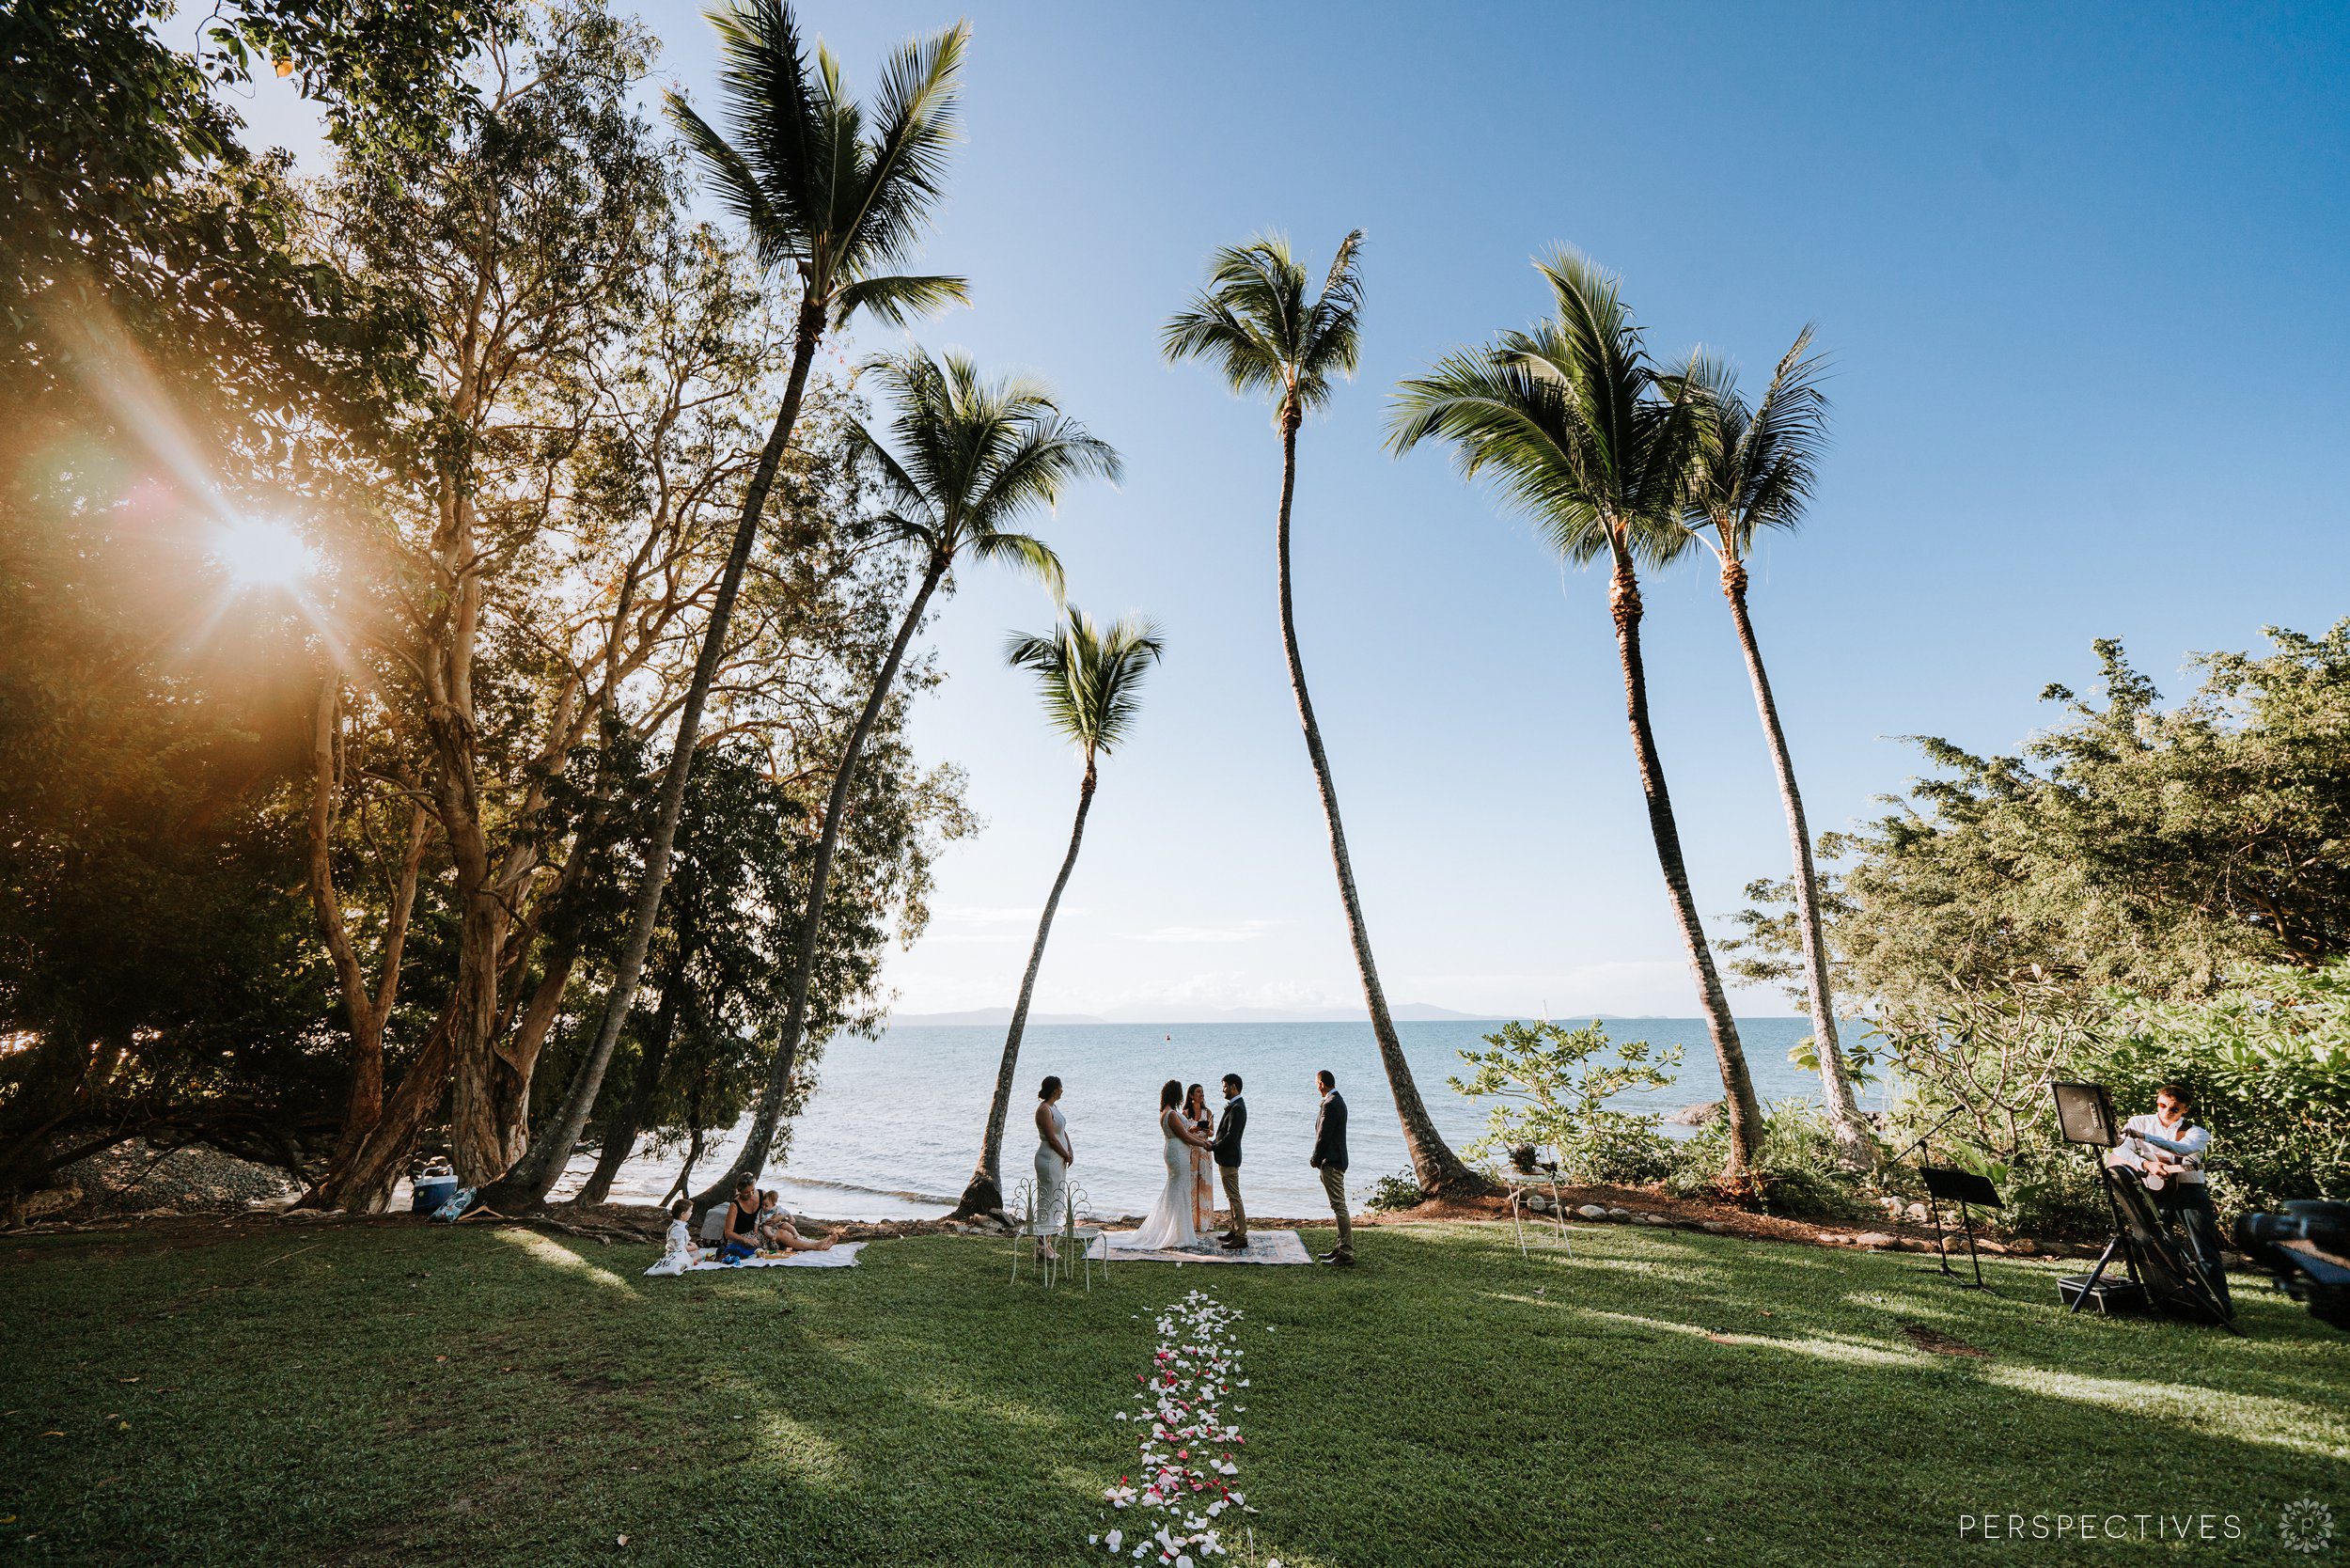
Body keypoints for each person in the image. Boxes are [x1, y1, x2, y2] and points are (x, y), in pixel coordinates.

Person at [2115, 1083, 2229, 1306]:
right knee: (2153, 1245)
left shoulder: (2197, 1132)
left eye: (2174, 1109)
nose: (2166, 1111)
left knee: (2204, 1247)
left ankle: (2218, 1304)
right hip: (2156, 1189)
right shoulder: (2139, 1121)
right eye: (2162, 1105)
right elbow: (2121, 1148)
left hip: (2189, 1191)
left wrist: (2144, 1137)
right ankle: (2167, 1298)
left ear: (2185, 1110)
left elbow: (2181, 1149)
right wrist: (2146, 1164)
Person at [1120, 1078, 1216, 1251]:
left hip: (1177, 1151)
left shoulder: (1168, 1112)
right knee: (1180, 1189)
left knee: (1178, 1190)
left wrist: (1202, 1142)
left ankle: (1177, 1229)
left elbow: (1185, 1134)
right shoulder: (1170, 1114)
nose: (1181, 1096)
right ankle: (1177, 1232)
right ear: (1174, 1094)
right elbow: (1185, 1136)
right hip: (1177, 1153)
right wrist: (1203, 1144)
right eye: (1179, 1093)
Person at [1309, 1068, 1352, 1265]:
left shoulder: (1331, 1104)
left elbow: (1323, 1136)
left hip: (1332, 1161)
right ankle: (1340, 1246)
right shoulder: (1337, 1101)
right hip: (1336, 1159)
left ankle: (1346, 1252)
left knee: (1339, 1206)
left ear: (1321, 1084)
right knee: (1337, 1206)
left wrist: (1315, 1158)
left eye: (1316, 1083)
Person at [1034, 1075, 1074, 1261]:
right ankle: (1042, 1245)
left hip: (1058, 1159)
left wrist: (1070, 1150)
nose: (1062, 1090)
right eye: (1060, 1087)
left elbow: (1062, 1132)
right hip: (1049, 1159)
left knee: (1056, 1199)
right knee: (1047, 1201)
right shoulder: (1043, 1109)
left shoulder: (1054, 1108)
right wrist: (1065, 1154)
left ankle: (1046, 1243)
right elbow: (1051, 1138)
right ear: (1055, 1089)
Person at [1213, 1073, 1248, 1251]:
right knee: (1231, 1196)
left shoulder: (1237, 1108)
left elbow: (1231, 1137)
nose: (1223, 1090)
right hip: (1226, 1157)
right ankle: (1235, 1230)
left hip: (1229, 1157)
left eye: (1225, 1086)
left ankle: (1241, 1236)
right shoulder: (1235, 1106)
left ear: (1233, 1087)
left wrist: (1213, 1147)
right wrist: (1214, 1143)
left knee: (1234, 1196)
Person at [1183, 1083, 1215, 1233]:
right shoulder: (1185, 1113)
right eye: (1198, 1092)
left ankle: (1204, 1222)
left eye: (1202, 1092)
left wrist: (1206, 1129)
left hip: (1204, 1151)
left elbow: (1212, 1133)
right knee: (1191, 1186)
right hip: (1191, 1151)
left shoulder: (1207, 1112)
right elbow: (1183, 1132)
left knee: (1204, 1187)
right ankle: (1191, 1223)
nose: (1201, 1094)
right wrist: (1194, 1129)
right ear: (1191, 1095)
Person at [646, 1198, 704, 1277]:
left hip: (671, 1251)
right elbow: (681, 1248)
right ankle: (690, 1262)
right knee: (699, 1255)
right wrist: (694, 1247)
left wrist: (690, 1243)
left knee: (696, 1252)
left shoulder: (674, 1226)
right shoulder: (680, 1229)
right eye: (690, 1211)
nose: (691, 1213)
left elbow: (678, 1240)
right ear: (683, 1214)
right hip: (676, 1254)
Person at [718, 1176, 764, 1262]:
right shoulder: (735, 1205)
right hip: (740, 1237)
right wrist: (746, 1240)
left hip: (757, 1233)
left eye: (753, 1190)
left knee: (781, 1233)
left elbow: (775, 1209)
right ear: (739, 1191)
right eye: (746, 1192)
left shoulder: (762, 1194)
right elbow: (728, 1233)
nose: (751, 1194)